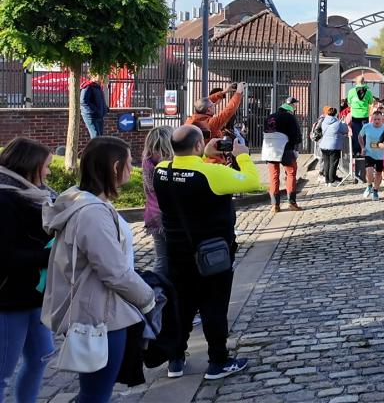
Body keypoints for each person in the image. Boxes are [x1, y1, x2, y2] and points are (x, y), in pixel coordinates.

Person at [42, 137, 156, 403]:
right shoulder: (92, 212)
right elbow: (114, 271)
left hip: (104, 309)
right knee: (95, 395)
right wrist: (149, 299)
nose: (133, 167)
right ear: (115, 167)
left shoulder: (87, 202)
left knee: (96, 392)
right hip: (101, 314)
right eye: (129, 163)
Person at [155, 125, 261, 381]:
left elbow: (189, 172)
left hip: (177, 252)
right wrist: (242, 155)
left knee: (183, 305)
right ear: (198, 145)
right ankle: (218, 360)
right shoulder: (212, 173)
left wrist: (202, 155)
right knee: (214, 306)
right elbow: (253, 182)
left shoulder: (162, 171)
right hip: (213, 253)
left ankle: (176, 359)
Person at [0, 138, 57, 403]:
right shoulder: (4, 199)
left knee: (41, 355)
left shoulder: (36, 193)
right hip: (9, 297)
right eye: (46, 166)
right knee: (3, 370)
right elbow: (7, 254)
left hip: (33, 293)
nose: (48, 172)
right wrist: (50, 255)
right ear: (29, 166)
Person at [142, 126, 174, 278]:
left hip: (153, 215)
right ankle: (159, 288)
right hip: (165, 217)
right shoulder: (163, 166)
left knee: (163, 258)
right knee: (169, 258)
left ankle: (158, 288)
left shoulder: (147, 162)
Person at [262, 97, 303, 213]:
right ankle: (292, 203)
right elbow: (295, 135)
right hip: (286, 148)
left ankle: (275, 205)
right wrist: (295, 148)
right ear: (291, 109)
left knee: (273, 176)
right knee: (291, 173)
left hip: (270, 149)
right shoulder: (289, 117)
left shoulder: (270, 117)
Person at [359, 110, 384, 201]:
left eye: (379, 119)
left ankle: (375, 191)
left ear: (382, 119)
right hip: (369, 153)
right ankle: (369, 186)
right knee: (369, 170)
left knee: (379, 173)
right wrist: (362, 147)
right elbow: (360, 136)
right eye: (375, 119)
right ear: (372, 119)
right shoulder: (366, 126)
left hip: (381, 155)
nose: (377, 121)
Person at [319, 107, 347, 185]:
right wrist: (343, 122)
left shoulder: (324, 122)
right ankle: (332, 180)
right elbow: (345, 130)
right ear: (335, 114)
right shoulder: (337, 123)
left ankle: (327, 180)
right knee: (333, 164)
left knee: (326, 163)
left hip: (324, 145)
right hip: (334, 146)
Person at [347, 77, 373, 154]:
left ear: (356, 82)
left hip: (355, 115)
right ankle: (364, 149)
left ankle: (356, 150)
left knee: (356, 133)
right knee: (364, 133)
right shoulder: (368, 92)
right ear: (364, 82)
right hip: (364, 115)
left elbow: (349, 102)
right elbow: (371, 102)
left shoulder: (351, 92)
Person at [80, 73, 108, 139]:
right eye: (100, 75)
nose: (102, 77)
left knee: (100, 137)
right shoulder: (88, 86)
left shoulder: (97, 87)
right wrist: (96, 110)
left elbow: (99, 100)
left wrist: (105, 108)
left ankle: (98, 149)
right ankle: (95, 149)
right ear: (93, 76)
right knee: (96, 137)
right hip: (91, 116)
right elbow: (83, 101)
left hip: (99, 115)